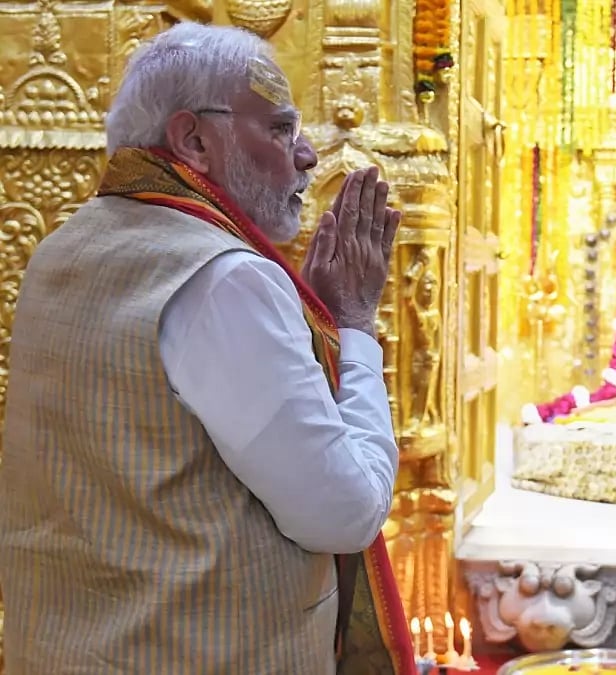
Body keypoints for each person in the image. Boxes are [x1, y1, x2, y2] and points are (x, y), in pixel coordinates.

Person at [0, 22, 416, 675]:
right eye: (279, 129)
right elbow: (344, 511)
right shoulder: (224, 276)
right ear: (194, 139)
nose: (308, 154)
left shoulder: (61, 250)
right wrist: (355, 323)